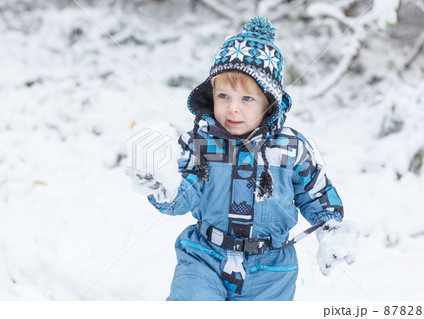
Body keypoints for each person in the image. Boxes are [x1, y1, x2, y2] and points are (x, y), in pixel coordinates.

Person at [132, 17, 357, 301]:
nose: (233, 109)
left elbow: (317, 191)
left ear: (269, 104)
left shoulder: (290, 148)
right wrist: (161, 185)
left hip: (272, 270)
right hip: (204, 258)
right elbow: (182, 196)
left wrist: (331, 227)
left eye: (247, 99)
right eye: (224, 96)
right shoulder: (199, 144)